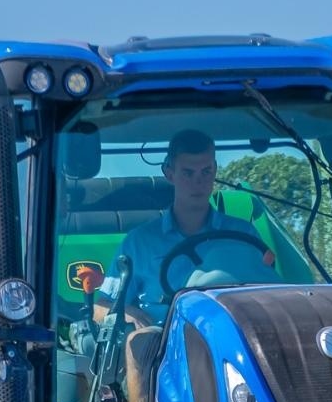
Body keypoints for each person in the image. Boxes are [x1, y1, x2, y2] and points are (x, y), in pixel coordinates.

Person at [98, 129, 269, 323]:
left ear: (215, 170)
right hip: (160, 337)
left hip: (228, 332)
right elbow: (102, 306)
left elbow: (268, 295)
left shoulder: (243, 235)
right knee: (141, 337)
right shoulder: (138, 242)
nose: (198, 182)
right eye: (188, 173)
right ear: (169, 173)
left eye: (206, 172)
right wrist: (130, 315)